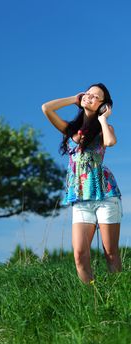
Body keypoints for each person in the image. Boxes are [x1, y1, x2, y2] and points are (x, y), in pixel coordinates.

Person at [42, 83, 122, 283]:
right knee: (80, 254)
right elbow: (46, 108)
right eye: (88, 94)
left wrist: (103, 118)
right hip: (80, 196)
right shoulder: (70, 130)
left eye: (96, 97)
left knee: (110, 252)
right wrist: (73, 99)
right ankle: (91, 298)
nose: (90, 97)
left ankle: (120, 298)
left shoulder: (104, 129)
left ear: (104, 105)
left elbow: (110, 142)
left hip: (106, 195)